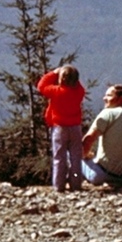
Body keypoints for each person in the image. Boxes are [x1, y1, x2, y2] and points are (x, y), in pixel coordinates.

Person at [81, 85, 122, 186]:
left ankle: (71, 183)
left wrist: (84, 156)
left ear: (121, 99)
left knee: (71, 153)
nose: (104, 98)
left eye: (109, 95)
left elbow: (88, 140)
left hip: (103, 175)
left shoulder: (108, 113)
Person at [37, 64, 85, 192]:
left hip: (59, 128)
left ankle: (59, 186)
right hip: (75, 127)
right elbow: (79, 86)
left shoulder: (56, 91)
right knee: (76, 157)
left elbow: (41, 86)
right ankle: (76, 185)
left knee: (59, 158)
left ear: (61, 79)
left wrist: (53, 73)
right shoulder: (79, 92)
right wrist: (72, 75)